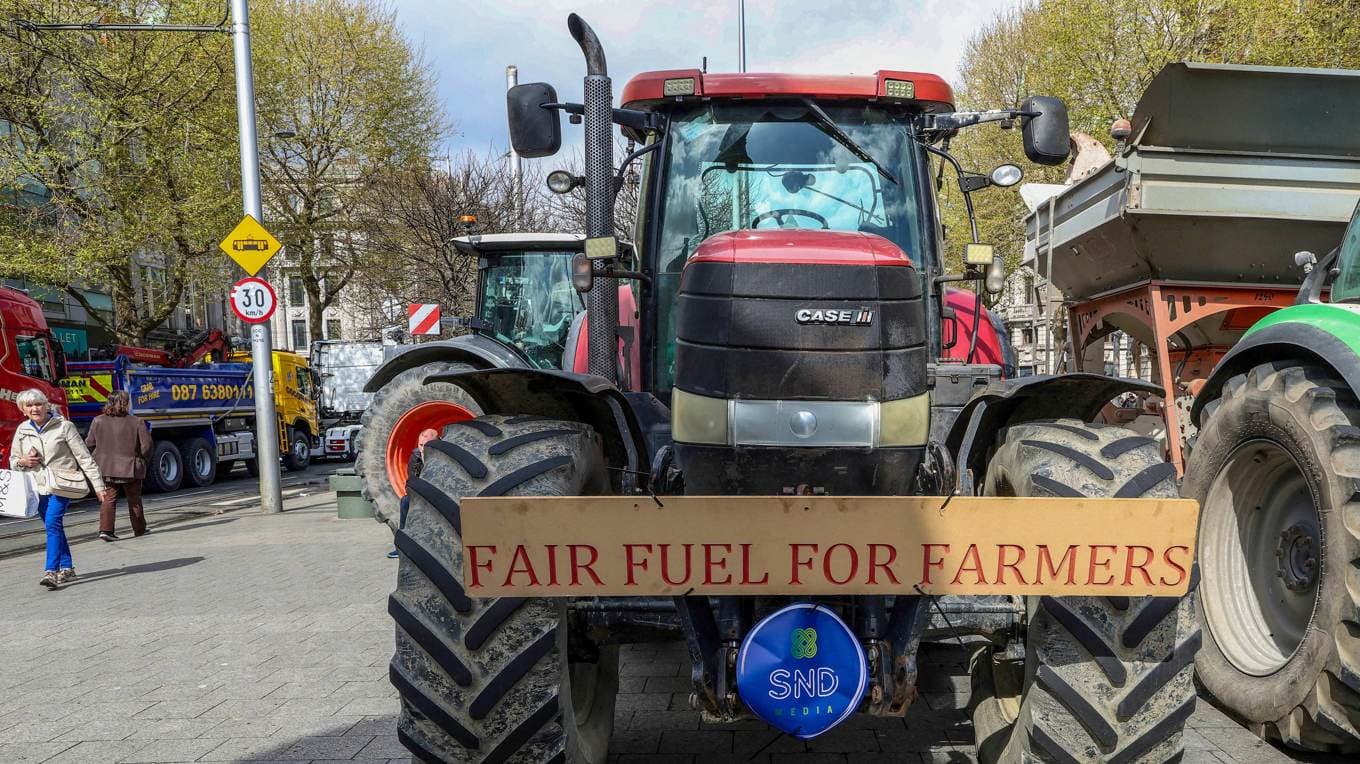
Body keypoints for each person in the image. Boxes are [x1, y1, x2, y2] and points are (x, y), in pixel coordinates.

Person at [8, 389, 113, 589]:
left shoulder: (64, 427)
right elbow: (13, 461)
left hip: (63, 484)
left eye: (38, 404)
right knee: (53, 526)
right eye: (29, 406)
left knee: (52, 522)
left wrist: (99, 486)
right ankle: (68, 567)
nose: (34, 409)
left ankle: (51, 571)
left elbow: (84, 458)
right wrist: (24, 460)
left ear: (47, 405)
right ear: (23, 410)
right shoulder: (22, 430)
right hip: (37, 486)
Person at [86, 390, 153, 541]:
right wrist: (143, 460)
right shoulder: (137, 422)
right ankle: (139, 529)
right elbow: (146, 446)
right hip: (131, 467)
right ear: (126, 403)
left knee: (108, 498)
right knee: (134, 499)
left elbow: (89, 444)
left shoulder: (98, 421)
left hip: (106, 467)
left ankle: (106, 530)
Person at [389, 427, 440, 559]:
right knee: (405, 501)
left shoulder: (443, 457)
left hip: (441, 494)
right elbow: (411, 483)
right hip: (422, 494)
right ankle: (403, 547)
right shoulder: (415, 456)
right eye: (420, 445)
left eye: (427, 445)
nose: (423, 449)